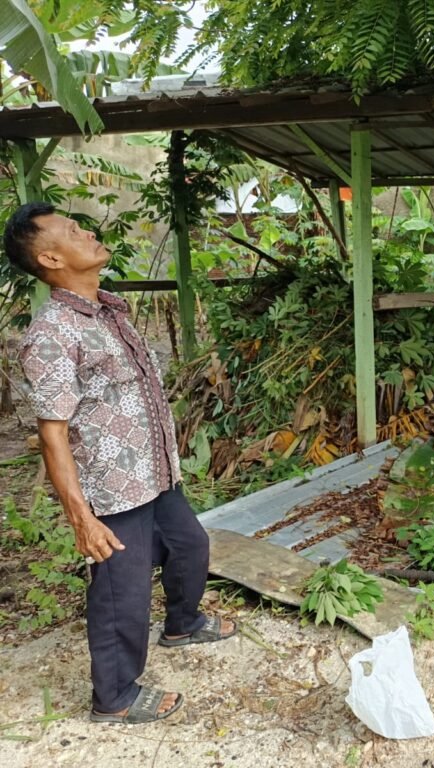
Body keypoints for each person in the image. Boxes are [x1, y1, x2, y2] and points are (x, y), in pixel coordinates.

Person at [4, 202, 236, 724]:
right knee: (120, 593)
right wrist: (81, 518)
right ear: (49, 257)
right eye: (70, 231)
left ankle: (183, 622)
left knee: (190, 546)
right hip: (111, 489)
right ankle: (114, 696)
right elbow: (52, 434)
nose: (85, 231)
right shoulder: (51, 334)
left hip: (156, 472)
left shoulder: (110, 310)